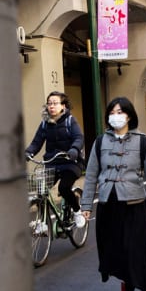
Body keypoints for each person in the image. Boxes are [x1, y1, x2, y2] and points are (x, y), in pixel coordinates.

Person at [79, 97, 146, 291]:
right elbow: (90, 176)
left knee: (132, 249)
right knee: (113, 249)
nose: (115, 115)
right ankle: (124, 279)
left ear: (129, 115)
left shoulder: (141, 141)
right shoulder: (100, 142)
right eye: (112, 112)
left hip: (133, 203)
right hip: (108, 203)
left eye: (120, 111)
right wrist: (86, 204)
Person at [25, 91, 86, 229]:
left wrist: (74, 150)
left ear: (63, 106)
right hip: (52, 163)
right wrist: (29, 152)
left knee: (64, 188)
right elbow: (36, 142)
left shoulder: (70, 120)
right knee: (41, 191)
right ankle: (42, 222)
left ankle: (77, 211)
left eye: (55, 103)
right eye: (49, 103)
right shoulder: (45, 124)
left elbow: (78, 137)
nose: (51, 106)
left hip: (71, 162)